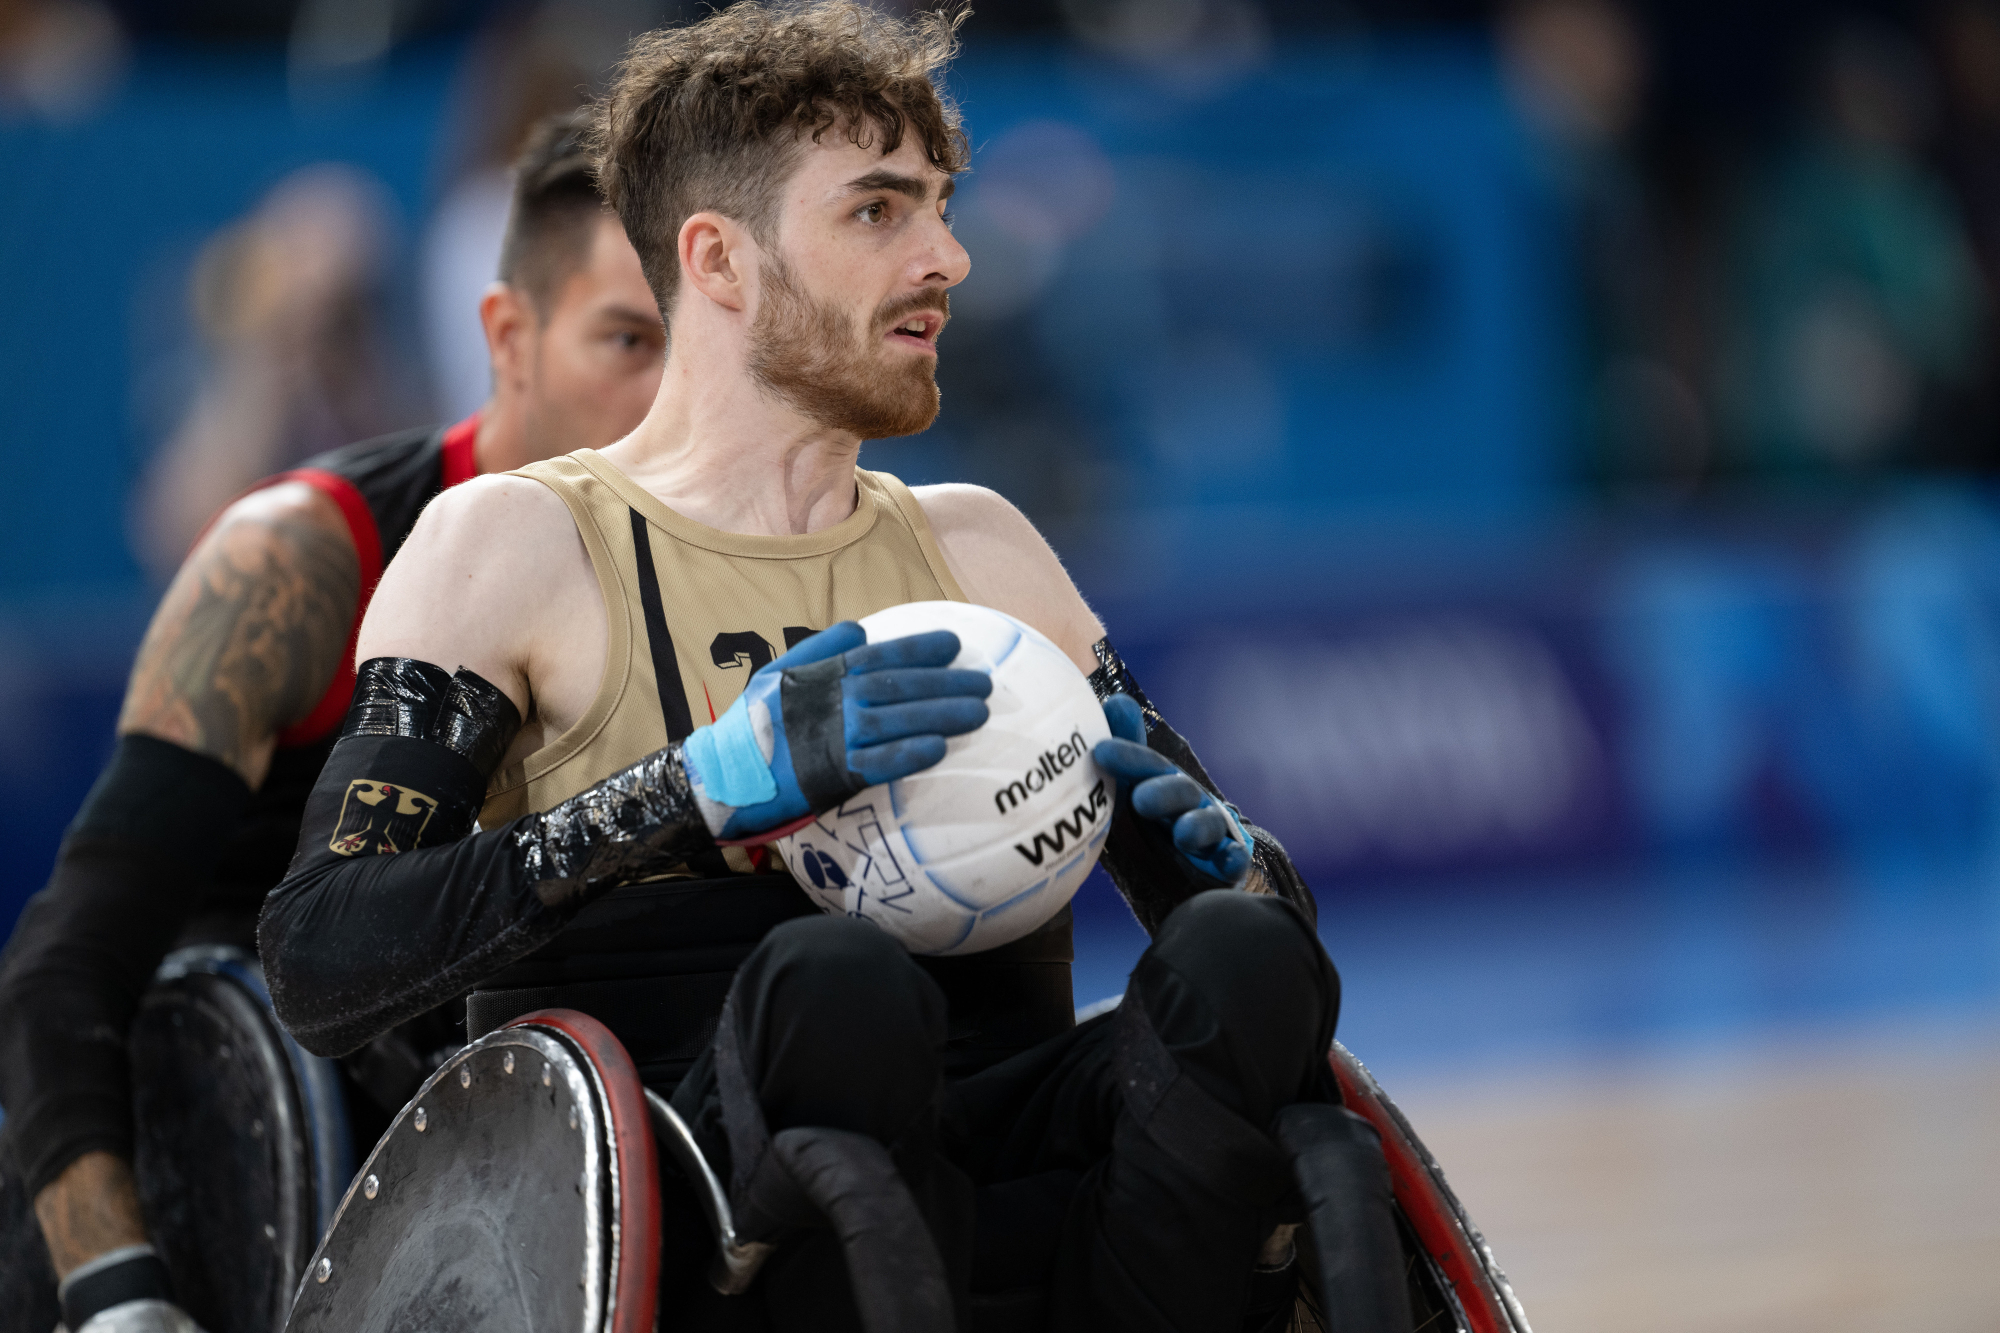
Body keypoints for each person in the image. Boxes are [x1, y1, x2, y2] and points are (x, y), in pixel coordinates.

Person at [258, 6, 1406, 1330]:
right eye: (880, 212)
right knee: (838, 988)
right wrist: (686, 792)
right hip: (694, 1185)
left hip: (1014, 1136)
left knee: (1244, 960)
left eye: (942, 209)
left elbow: (1249, 937)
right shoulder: (515, 542)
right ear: (720, 260)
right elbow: (320, 956)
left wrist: (1239, 869)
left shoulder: (981, 547)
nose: (949, 258)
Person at [0, 111, 665, 1333]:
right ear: (508, 337)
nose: (668, 397)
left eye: (702, 350)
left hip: (520, 1165)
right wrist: (115, 1291)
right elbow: (63, 966)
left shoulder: (716, 572)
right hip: (239, 1172)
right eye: (628, 339)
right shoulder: (297, 560)